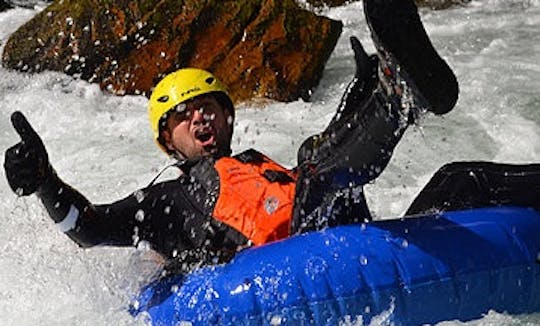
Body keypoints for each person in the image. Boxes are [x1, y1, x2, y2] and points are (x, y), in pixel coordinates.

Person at [3, 0, 457, 275]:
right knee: (315, 170)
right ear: (166, 140)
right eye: (183, 114)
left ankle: (391, 89)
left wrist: (352, 106)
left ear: (228, 119)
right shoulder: (168, 201)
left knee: (459, 181)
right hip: (282, 262)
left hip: (328, 230)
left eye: (210, 108)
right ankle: (399, 99)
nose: (200, 117)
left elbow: (326, 179)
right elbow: (90, 229)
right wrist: (45, 181)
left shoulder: (257, 165)